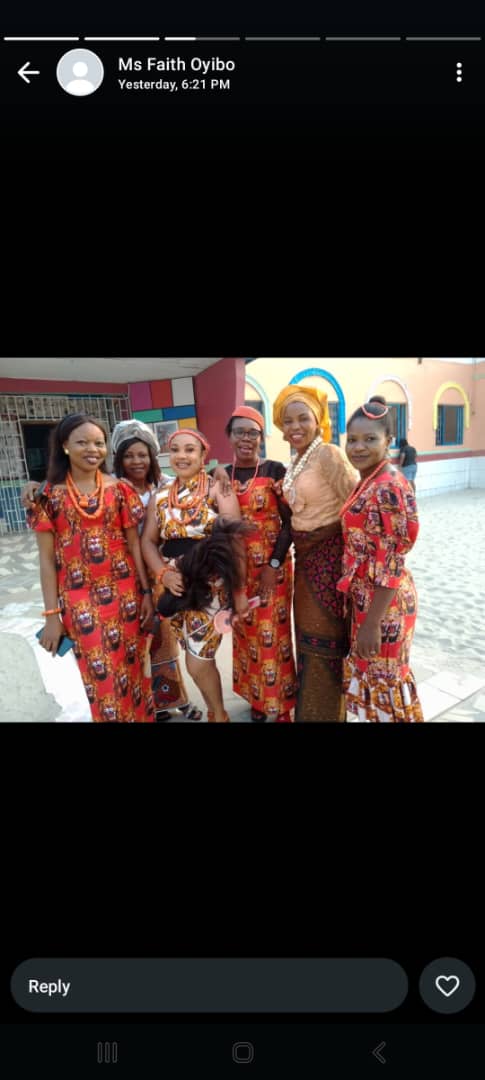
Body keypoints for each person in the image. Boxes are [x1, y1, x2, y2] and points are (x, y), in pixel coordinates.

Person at [27, 413, 154, 722]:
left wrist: (147, 594)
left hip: (126, 596)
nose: (92, 450)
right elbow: (46, 560)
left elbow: (134, 545)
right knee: (102, 681)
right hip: (79, 601)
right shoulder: (48, 496)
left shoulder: (120, 490)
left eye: (99, 443)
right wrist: (52, 615)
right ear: (65, 446)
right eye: (82, 442)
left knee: (134, 673)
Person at [141, 428, 249, 722]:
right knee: (196, 656)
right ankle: (216, 712)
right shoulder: (160, 496)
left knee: (197, 662)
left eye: (190, 449)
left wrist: (239, 592)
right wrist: (163, 574)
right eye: (175, 449)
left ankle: (219, 714)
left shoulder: (218, 490)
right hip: (176, 589)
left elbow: (235, 542)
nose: (182, 455)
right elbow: (148, 541)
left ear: (203, 456)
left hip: (210, 589)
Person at [273, 386, 358, 722]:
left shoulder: (328, 455)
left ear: (318, 420)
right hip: (306, 560)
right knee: (308, 641)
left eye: (303, 418)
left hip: (330, 560)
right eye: (288, 421)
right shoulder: (297, 460)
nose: (295, 426)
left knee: (327, 641)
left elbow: (355, 505)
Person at [337, 397, 424, 722]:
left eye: (370, 439)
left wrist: (372, 623)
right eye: (352, 439)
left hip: (384, 606)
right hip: (368, 599)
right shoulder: (369, 479)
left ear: (388, 441)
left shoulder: (388, 486)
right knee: (373, 682)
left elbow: (392, 562)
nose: (358, 447)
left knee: (386, 684)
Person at [110, 420, 201, 722]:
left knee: (165, 641)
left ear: (152, 455)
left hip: (162, 574)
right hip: (125, 577)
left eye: (143, 454)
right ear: (118, 457)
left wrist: (221, 473)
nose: (136, 461)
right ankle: (146, 704)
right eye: (128, 455)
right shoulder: (110, 488)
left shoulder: (167, 486)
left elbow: (201, 483)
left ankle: (174, 699)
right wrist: (37, 488)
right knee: (135, 643)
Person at [219, 406, 298, 722]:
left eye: (252, 432)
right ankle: (257, 698)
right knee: (245, 634)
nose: (246, 438)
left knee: (274, 635)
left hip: (271, 568)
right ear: (229, 436)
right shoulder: (221, 475)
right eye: (239, 432)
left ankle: (281, 704)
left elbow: (289, 522)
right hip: (235, 568)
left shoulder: (275, 470)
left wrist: (273, 565)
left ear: (261, 437)